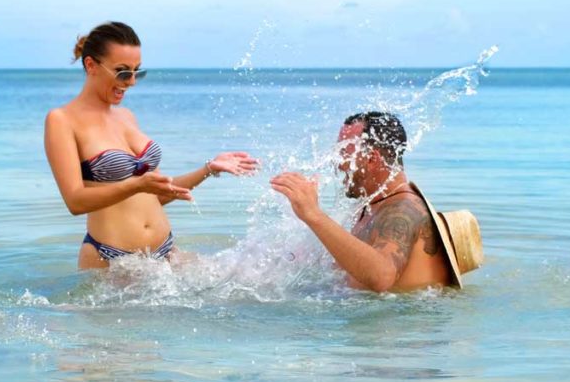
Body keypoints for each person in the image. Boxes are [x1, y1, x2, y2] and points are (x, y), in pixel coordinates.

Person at [44, 21, 258, 269]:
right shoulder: (62, 120)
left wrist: (208, 169)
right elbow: (76, 202)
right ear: (91, 65)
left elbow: (156, 194)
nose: (132, 81)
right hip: (112, 259)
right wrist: (137, 185)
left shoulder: (126, 117)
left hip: (166, 253)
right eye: (123, 72)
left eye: (137, 72)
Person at [270, 111, 482, 292]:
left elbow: (381, 276)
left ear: (371, 159)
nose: (337, 163)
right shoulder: (371, 207)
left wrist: (313, 215)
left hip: (402, 335)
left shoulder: (404, 210)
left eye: (344, 152)